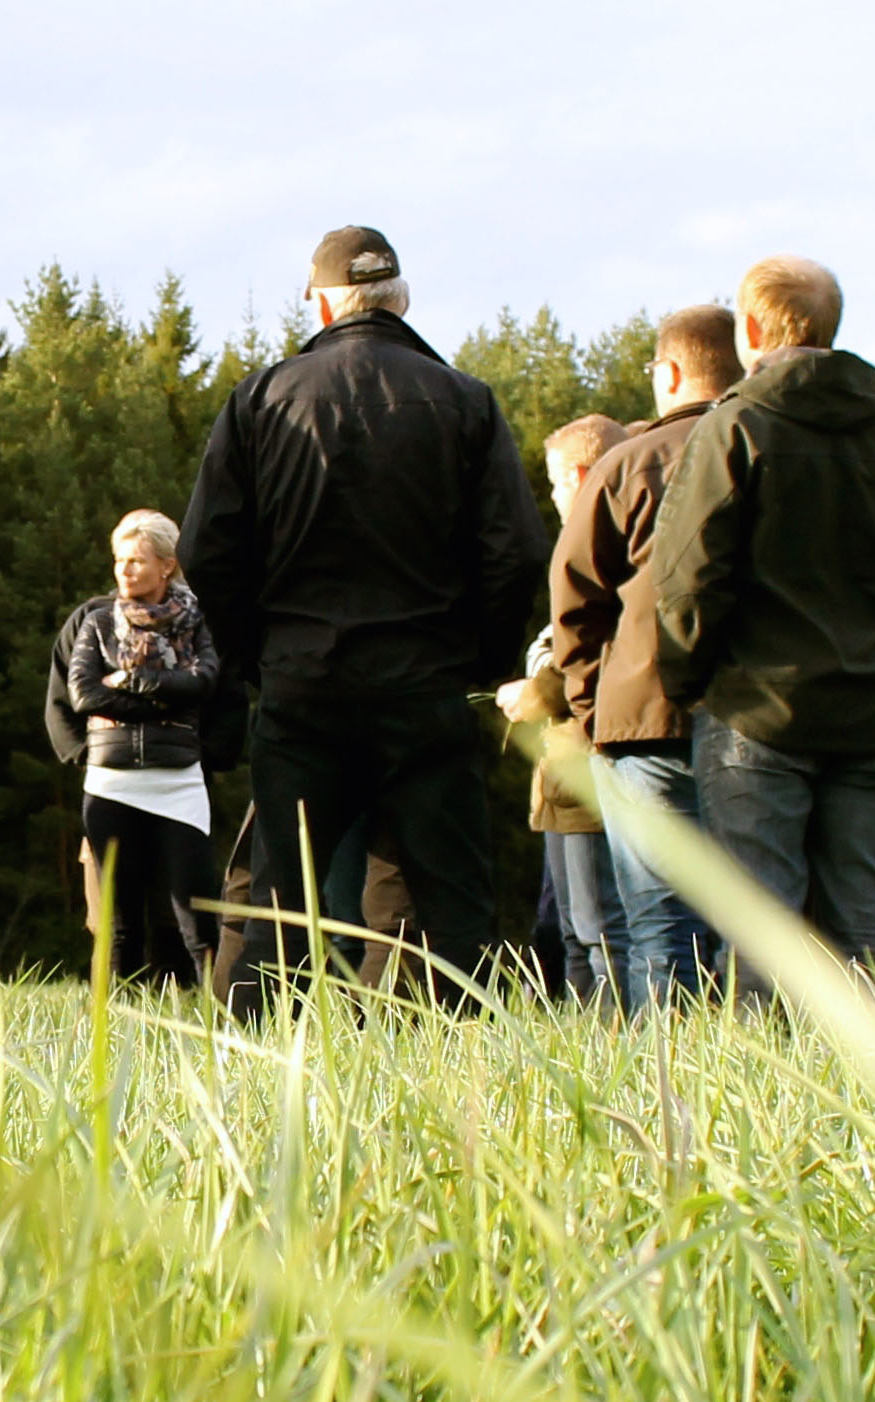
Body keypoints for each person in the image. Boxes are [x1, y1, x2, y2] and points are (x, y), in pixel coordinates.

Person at [180, 224, 547, 1007]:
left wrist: (258, 659)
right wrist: (478, 663)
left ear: (318, 303)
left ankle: (256, 1073)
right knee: (453, 905)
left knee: (283, 898)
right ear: (401, 299)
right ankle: (475, 1082)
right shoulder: (464, 401)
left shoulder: (262, 399)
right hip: (425, 684)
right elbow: (513, 553)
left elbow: (208, 553)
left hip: (303, 682)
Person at [648, 256, 875, 992]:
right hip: (870, 709)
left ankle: (776, 1094)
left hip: (756, 708)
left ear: (751, 328)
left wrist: (691, 680)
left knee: (762, 922)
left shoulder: (736, 429)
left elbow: (690, 579)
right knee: (869, 915)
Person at [549, 303, 742, 1005]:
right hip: (759, 717)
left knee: (658, 921)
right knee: (755, 920)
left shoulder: (628, 463)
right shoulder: (772, 450)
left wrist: (593, 706)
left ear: (667, 371)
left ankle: (665, 1093)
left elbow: (575, 598)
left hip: (645, 718)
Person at [48, 511, 216, 987]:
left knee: (194, 912)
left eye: (137, 560)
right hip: (110, 782)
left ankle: (215, 1017)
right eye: (120, 559)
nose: (125, 569)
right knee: (119, 921)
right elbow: (81, 694)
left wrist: (132, 684)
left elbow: (206, 684)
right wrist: (164, 701)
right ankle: (121, 1026)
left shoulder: (198, 621)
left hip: (180, 779)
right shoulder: (95, 621)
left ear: (166, 565)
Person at [499, 417, 633, 1007]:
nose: (552, 497)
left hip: (588, 757)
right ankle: (590, 1054)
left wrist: (531, 692)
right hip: (571, 766)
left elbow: (585, 649)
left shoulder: (601, 540)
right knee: (580, 931)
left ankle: (618, 1056)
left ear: (579, 475)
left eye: (554, 482)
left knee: (600, 930)